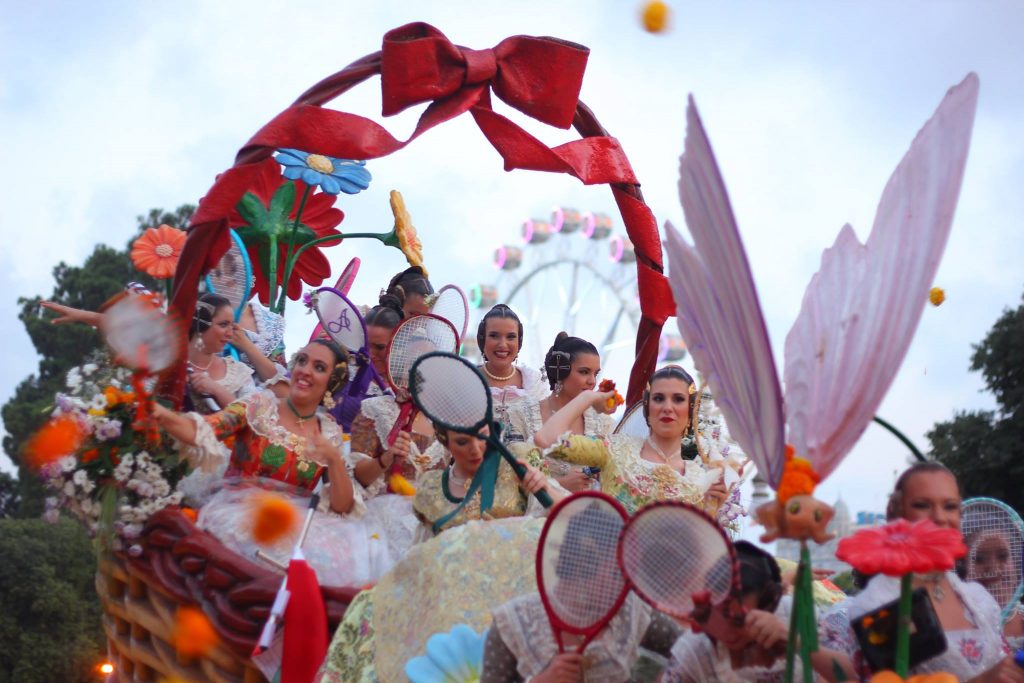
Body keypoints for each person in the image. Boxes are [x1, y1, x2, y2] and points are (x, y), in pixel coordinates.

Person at [153, 340, 400, 587]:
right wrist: (159, 414)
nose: (305, 370)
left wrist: (334, 460)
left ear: (330, 384)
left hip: (292, 531)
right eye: (302, 360)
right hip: (236, 516)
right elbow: (204, 429)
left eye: (319, 367)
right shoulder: (259, 406)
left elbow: (342, 506)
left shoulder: (329, 433)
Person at [819, 462, 1023, 682]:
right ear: (896, 513)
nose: (939, 517)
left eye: (950, 506)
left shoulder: (978, 599)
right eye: (922, 505)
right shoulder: (879, 604)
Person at [480, 502, 681, 682]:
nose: (624, 585)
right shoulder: (513, 623)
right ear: (583, 563)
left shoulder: (630, 611)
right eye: (615, 573)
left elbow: (690, 650)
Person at [531, 366, 730, 518]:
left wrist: (711, 508)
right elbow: (546, 439)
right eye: (659, 398)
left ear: (691, 412)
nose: (667, 407)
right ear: (647, 407)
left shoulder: (698, 480)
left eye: (678, 399)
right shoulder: (615, 448)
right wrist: (588, 398)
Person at [662, 541, 844, 682]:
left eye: (740, 620)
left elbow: (852, 675)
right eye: (721, 615)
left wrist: (793, 641)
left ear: (770, 606)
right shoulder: (695, 649)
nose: (728, 631)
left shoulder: (797, 616)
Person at [412, 425, 564, 539]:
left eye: (482, 436)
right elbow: (423, 559)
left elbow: (573, 517)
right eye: (462, 442)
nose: (475, 449)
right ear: (445, 442)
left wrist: (545, 488)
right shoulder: (432, 489)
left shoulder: (517, 461)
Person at [507, 332, 614, 492]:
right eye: (584, 372)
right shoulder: (521, 413)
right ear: (559, 371)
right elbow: (507, 478)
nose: (592, 381)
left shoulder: (602, 422)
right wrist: (558, 485)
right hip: (535, 513)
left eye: (595, 373)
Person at [186, 293, 285, 413]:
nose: (229, 333)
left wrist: (217, 390)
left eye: (231, 326)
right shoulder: (173, 363)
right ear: (200, 323)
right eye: (223, 325)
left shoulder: (237, 372)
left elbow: (252, 418)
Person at [475, 304, 548, 435]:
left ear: (519, 342)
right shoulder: (465, 379)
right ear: (482, 339)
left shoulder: (534, 384)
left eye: (510, 337)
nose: (502, 344)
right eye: (494, 335)